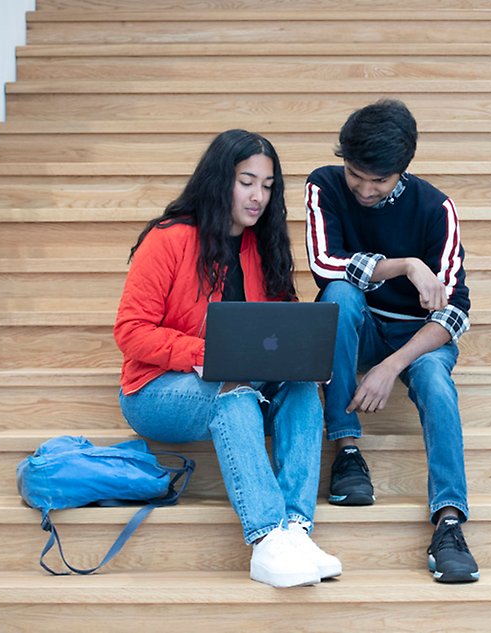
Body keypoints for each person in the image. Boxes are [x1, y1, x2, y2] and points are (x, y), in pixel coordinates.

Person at [114, 129, 341, 588]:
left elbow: (280, 329)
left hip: (244, 383)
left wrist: (301, 352)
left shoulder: (264, 245)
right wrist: (209, 354)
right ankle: (266, 538)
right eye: (247, 181)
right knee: (233, 393)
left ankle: (295, 530)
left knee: (301, 389)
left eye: (268, 185)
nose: (258, 196)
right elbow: (130, 332)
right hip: (156, 391)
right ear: (221, 180)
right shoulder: (170, 240)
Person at [304, 99, 479, 583]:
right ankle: (346, 452)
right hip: (358, 326)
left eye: (378, 181)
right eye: (355, 174)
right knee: (336, 296)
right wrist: (405, 265)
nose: (363, 188)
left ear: (402, 172)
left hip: (417, 337)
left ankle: (449, 523)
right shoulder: (324, 185)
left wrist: (389, 367)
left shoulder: (435, 208)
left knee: (437, 385)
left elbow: (454, 312)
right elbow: (325, 264)